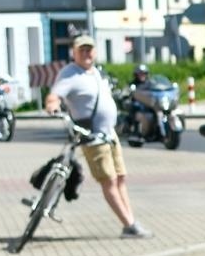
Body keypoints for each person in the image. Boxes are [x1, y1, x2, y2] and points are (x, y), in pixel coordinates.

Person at [45, 34, 152, 238]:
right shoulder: (69, 74)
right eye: (82, 50)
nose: (86, 53)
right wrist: (52, 105)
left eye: (89, 49)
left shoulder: (95, 72)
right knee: (108, 180)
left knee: (120, 177)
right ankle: (129, 224)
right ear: (74, 52)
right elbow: (54, 95)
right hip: (92, 136)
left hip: (109, 135)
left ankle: (131, 219)